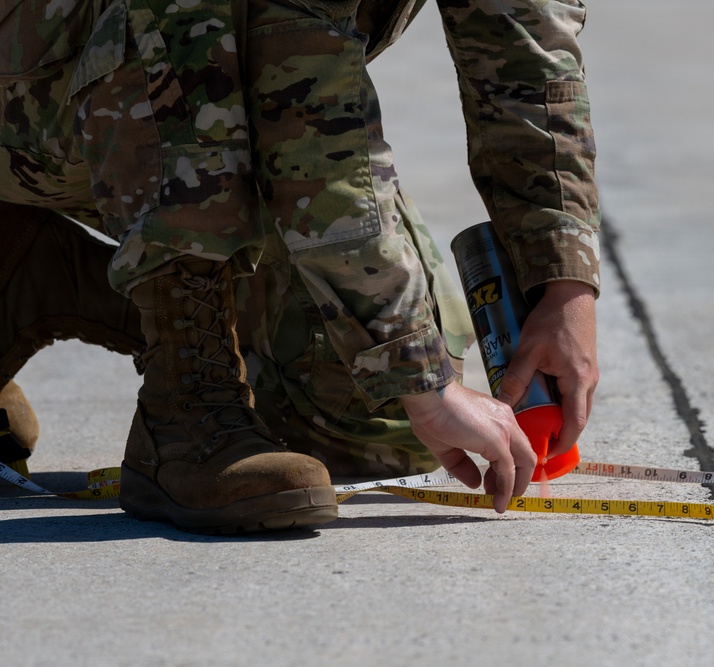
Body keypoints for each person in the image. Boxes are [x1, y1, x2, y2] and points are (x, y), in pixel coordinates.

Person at [0, 0, 600, 532]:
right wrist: (419, 374)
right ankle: (185, 408)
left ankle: (35, 274)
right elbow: (309, 111)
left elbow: (529, 64)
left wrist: (563, 286)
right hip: (34, 102)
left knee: (373, 421)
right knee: (188, 13)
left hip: (168, 117)